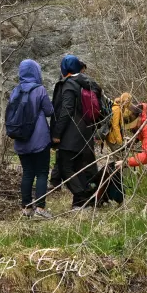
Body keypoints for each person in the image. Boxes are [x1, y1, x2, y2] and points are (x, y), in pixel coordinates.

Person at [50, 54, 103, 210]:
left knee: (65, 167)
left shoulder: (69, 85)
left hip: (70, 134)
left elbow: (66, 110)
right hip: (86, 132)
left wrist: (57, 133)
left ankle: (82, 196)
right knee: (79, 167)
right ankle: (81, 203)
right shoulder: (88, 84)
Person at [10, 59, 56, 219]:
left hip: (21, 139)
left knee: (27, 172)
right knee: (42, 172)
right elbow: (49, 111)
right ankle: (41, 210)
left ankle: (26, 208)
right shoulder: (40, 89)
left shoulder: (15, 90)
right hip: (39, 140)